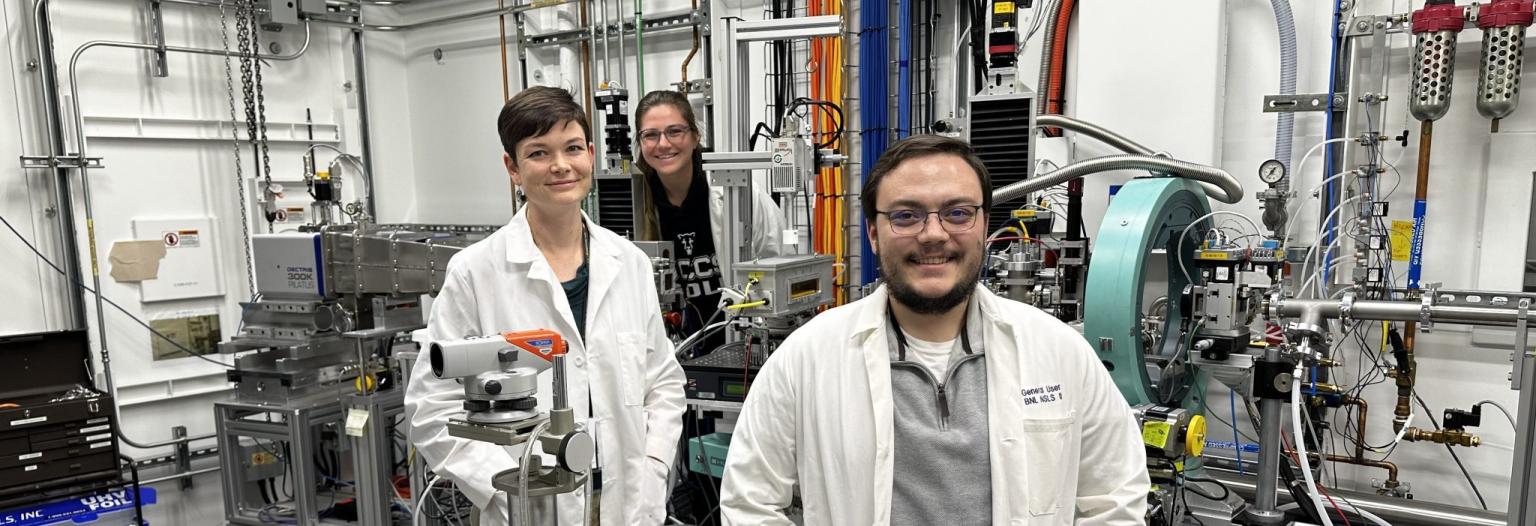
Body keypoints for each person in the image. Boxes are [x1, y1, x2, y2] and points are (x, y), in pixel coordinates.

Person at [718, 135, 1149, 525]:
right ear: (872, 233)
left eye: (957, 213)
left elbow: (1117, 496)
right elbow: (748, 502)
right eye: (906, 216)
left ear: (983, 226)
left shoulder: (1058, 351)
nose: (933, 235)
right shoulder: (808, 357)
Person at [405, 86, 685, 526]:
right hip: (528, 508)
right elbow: (431, 406)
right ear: (512, 168)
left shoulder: (628, 263)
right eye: (538, 153)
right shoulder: (476, 272)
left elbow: (663, 383)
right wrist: (501, 487)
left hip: (628, 502)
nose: (560, 166)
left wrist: (654, 467)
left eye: (572, 148)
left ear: (591, 154)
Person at [633, 90, 785, 351]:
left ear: (695, 136)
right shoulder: (635, 204)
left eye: (675, 131)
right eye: (651, 135)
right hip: (671, 351)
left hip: (742, 345)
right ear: (640, 142)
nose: (663, 144)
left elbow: (778, 264)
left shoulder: (736, 194)